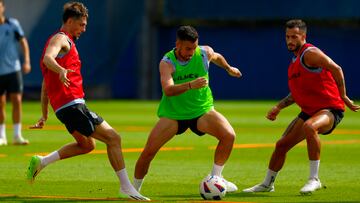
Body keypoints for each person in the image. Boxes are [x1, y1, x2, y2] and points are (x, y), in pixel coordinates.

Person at [26, 2, 149, 201]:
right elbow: (48, 59)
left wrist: (45, 114)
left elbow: (45, 83)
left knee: (86, 145)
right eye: (81, 24)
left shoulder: (64, 44)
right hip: (73, 105)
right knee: (114, 139)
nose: (84, 29)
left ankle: (42, 161)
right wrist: (62, 70)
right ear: (70, 21)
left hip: (64, 109)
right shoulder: (61, 39)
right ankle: (126, 188)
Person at [243, 19, 360, 195]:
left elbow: (336, 68)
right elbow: (296, 94)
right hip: (310, 111)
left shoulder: (310, 53)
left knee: (310, 127)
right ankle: (267, 184)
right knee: (281, 145)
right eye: (287, 37)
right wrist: (278, 107)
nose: (290, 40)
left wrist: (343, 96)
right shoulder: (295, 62)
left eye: (294, 37)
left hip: (330, 109)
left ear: (303, 36)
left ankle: (314, 179)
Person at [133, 25, 242, 195]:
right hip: (174, 115)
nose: (191, 52)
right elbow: (168, 90)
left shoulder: (204, 52)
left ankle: (216, 178)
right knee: (148, 152)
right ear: (177, 44)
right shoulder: (167, 63)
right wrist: (191, 85)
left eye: (194, 47)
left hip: (201, 110)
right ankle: (133, 190)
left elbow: (217, 57)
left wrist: (229, 68)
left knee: (229, 135)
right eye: (187, 48)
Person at [0, 0, 31, 146]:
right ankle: (2, 136)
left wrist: (27, 61)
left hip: (13, 69)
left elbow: (23, 42)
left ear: (3, 7)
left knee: (17, 101)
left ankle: (17, 135)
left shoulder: (13, 24)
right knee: (1, 103)